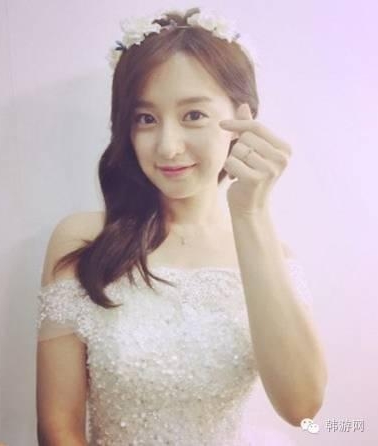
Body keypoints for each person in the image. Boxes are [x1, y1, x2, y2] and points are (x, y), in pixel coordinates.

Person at [35, 7, 327, 445]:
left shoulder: (272, 256)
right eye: (146, 119)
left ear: (242, 118)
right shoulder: (83, 240)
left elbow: (302, 410)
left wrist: (251, 215)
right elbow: (58, 426)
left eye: (193, 115)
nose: (168, 147)